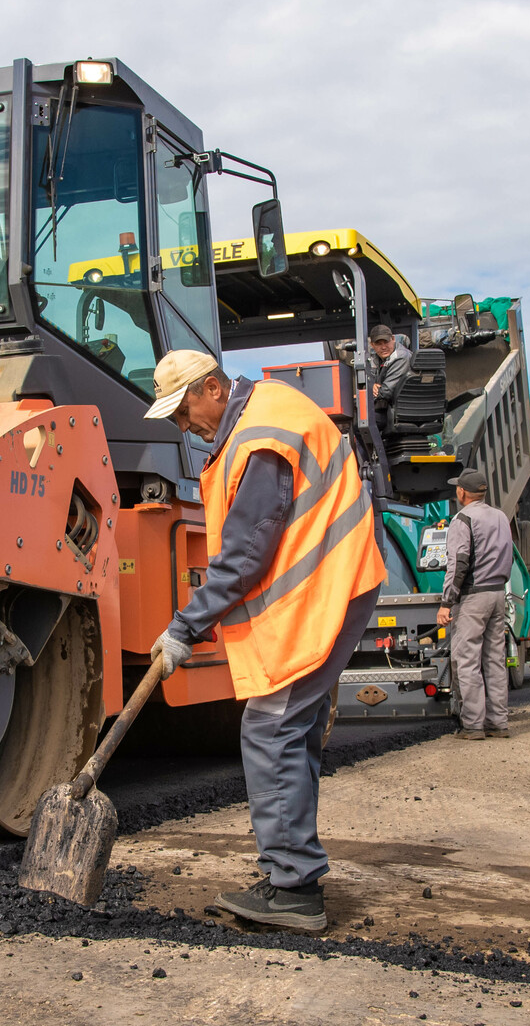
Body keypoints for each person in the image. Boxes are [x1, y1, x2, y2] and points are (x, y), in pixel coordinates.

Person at [144, 349, 385, 932]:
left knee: (270, 727)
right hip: (332, 587)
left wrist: (183, 628)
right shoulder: (262, 418)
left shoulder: (260, 436)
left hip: (326, 592)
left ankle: (295, 890)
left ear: (213, 389)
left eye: (183, 410)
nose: (183, 425)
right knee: (289, 728)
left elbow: (246, 554)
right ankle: (291, 870)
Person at [434, 469, 515, 739]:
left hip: (473, 596)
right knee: (494, 661)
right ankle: (498, 723)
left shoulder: (463, 519)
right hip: (497, 594)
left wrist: (447, 602)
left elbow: (458, 564)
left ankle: (473, 725)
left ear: (462, 492)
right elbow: (509, 557)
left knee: (466, 660)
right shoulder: (501, 517)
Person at [367, 324, 412, 417]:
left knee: (359, 424)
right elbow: (369, 381)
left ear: (393, 339)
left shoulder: (401, 357)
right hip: (393, 408)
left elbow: (385, 392)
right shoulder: (376, 358)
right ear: (372, 345)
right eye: (379, 344)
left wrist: (369, 390)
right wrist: (371, 386)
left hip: (403, 410)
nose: (383, 347)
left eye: (386, 342)